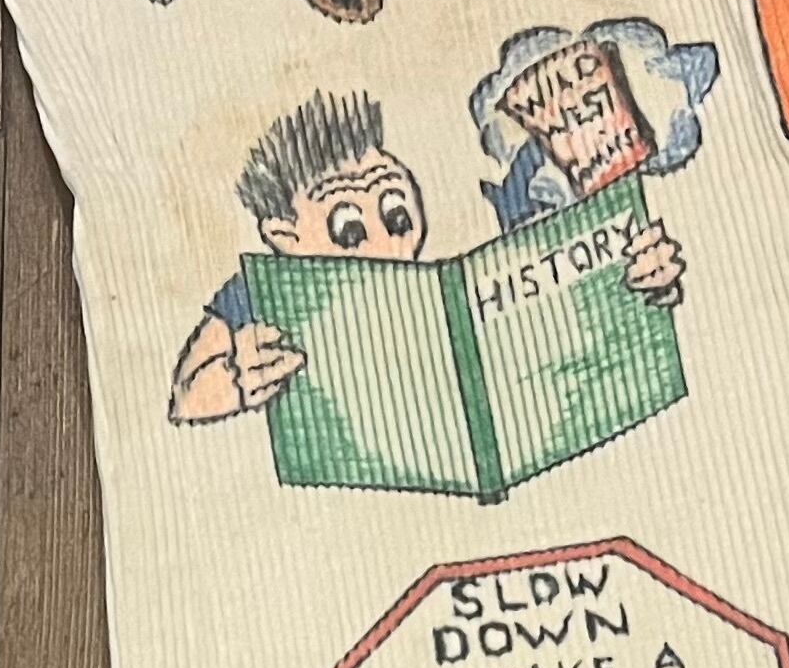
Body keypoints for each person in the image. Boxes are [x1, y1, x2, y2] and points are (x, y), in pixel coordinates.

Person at [169, 83, 687, 427]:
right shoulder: (265, 290)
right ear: (286, 236)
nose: (388, 244)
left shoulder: (454, 285)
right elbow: (185, 395)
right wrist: (234, 379)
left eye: (396, 215)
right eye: (350, 229)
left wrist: (634, 283)